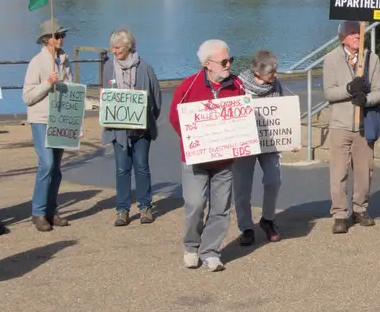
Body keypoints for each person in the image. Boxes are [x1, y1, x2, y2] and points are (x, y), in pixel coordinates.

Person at [169, 39, 245, 271]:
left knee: (221, 207)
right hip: (197, 158)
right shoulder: (188, 86)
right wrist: (195, 140)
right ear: (207, 64)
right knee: (195, 204)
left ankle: (211, 251)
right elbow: (174, 117)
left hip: (224, 160)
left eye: (230, 60)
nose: (228, 65)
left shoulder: (237, 85)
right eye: (224, 61)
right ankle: (191, 246)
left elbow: (244, 115)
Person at [322, 21, 380, 234]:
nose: (356, 37)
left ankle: (360, 208)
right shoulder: (330, 59)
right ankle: (339, 213)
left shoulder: (371, 58)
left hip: (363, 124)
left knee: (364, 170)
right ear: (342, 38)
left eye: (358, 33)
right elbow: (329, 93)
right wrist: (349, 89)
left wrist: (365, 100)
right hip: (340, 124)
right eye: (351, 34)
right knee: (338, 172)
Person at [103, 28, 162, 227]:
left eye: (117, 47)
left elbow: (156, 98)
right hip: (118, 129)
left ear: (127, 46)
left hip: (141, 128)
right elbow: (106, 95)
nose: (114, 50)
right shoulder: (108, 67)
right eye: (112, 47)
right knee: (121, 169)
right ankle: (122, 210)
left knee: (142, 167)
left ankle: (145, 207)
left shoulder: (145, 67)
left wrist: (147, 119)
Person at [233, 49, 286, 246]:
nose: (275, 76)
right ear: (257, 73)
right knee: (242, 187)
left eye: (275, 71)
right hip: (245, 142)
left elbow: (283, 113)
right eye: (271, 73)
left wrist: (290, 138)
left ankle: (268, 219)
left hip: (269, 142)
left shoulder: (276, 85)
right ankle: (246, 227)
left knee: (274, 180)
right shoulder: (239, 85)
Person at [23, 17, 72, 232]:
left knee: (57, 168)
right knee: (47, 164)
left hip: (60, 118)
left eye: (62, 35)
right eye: (57, 35)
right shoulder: (37, 62)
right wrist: (47, 83)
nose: (61, 39)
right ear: (46, 40)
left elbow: (70, 90)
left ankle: (52, 210)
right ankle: (38, 212)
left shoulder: (64, 59)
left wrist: (74, 121)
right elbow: (27, 96)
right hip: (41, 119)